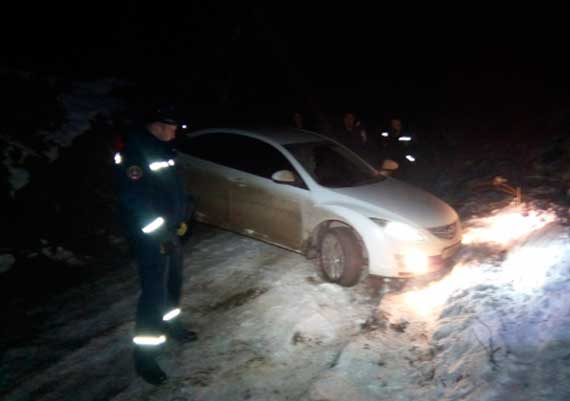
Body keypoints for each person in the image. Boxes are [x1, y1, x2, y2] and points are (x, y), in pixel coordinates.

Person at [113, 104, 197, 386]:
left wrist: (185, 212)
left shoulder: (163, 149)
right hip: (150, 236)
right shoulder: (135, 152)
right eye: (172, 127)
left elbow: (171, 189)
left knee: (173, 282)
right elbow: (134, 200)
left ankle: (173, 325)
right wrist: (159, 233)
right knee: (153, 294)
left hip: (169, 230)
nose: (175, 133)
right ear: (158, 124)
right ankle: (145, 358)